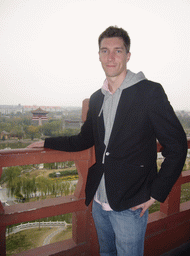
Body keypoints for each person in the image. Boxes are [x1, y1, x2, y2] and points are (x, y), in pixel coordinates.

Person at [30, 26, 187, 256]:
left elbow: (177, 145)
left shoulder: (149, 92)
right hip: (99, 200)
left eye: (117, 51)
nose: (110, 57)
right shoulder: (97, 98)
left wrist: (155, 193)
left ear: (128, 55)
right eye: (105, 51)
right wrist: (46, 142)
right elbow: (83, 139)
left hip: (131, 202)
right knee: (106, 253)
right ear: (99, 56)